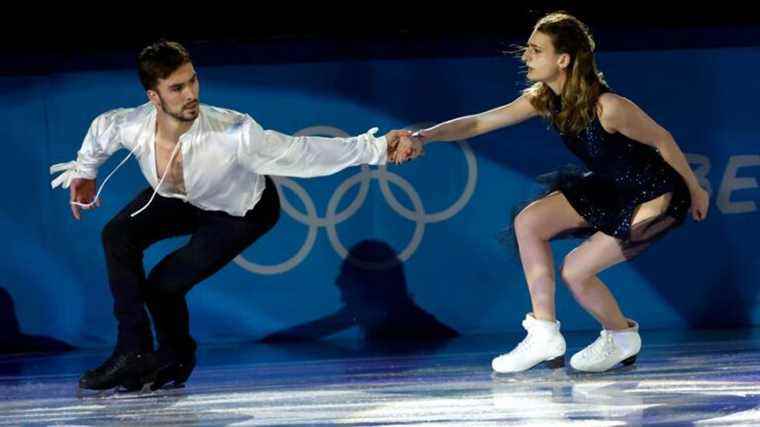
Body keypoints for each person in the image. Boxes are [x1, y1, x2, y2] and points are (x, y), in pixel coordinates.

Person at [49, 40, 410, 393]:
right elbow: (102, 129)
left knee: (163, 285)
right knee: (117, 235)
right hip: (179, 196)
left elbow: (303, 153)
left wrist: (377, 148)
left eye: (192, 80)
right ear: (153, 97)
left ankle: (175, 358)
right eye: (176, 88)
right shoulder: (133, 125)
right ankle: (133, 351)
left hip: (240, 212)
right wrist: (85, 172)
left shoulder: (234, 132)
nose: (190, 93)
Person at [391, 12, 709, 373]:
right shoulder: (544, 99)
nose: (526, 56)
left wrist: (695, 189)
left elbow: (662, 140)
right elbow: (480, 121)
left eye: (536, 50)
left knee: (576, 271)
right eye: (528, 48)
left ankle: (620, 335)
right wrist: (424, 136)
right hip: (610, 187)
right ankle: (544, 333)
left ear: (563, 59)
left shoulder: (609, 107)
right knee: (530, 221)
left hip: (654, 194)